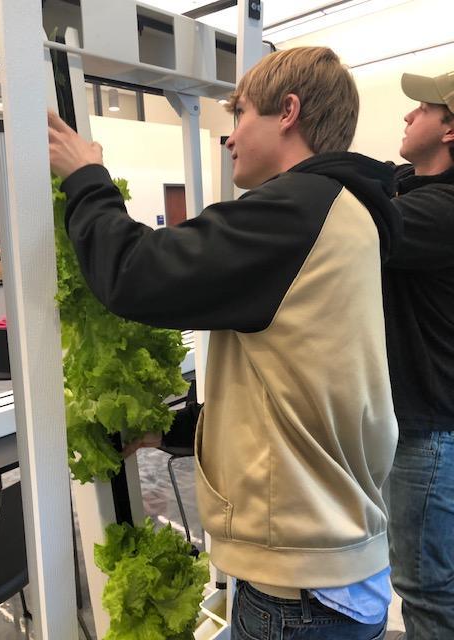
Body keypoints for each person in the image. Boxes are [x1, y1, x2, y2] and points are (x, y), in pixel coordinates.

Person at [49, 46, 399, 639]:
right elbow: (296, 387)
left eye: (240, 115)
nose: (230, 137)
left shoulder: (295, 210)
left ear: (287, 111)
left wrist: (86, 179)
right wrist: (176, 432)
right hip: (334, 565)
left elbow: (135, 274)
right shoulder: (349, 211)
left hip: (298, 589)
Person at [383, 70, 454, 640]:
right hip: (431, 430)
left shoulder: (438, 212)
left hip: (430, 435)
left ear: (450, 128)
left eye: (422, 108)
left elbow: (356, 223)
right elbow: (388, 180)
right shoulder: (415, 191)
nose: (408, 117)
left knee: (426, 590)